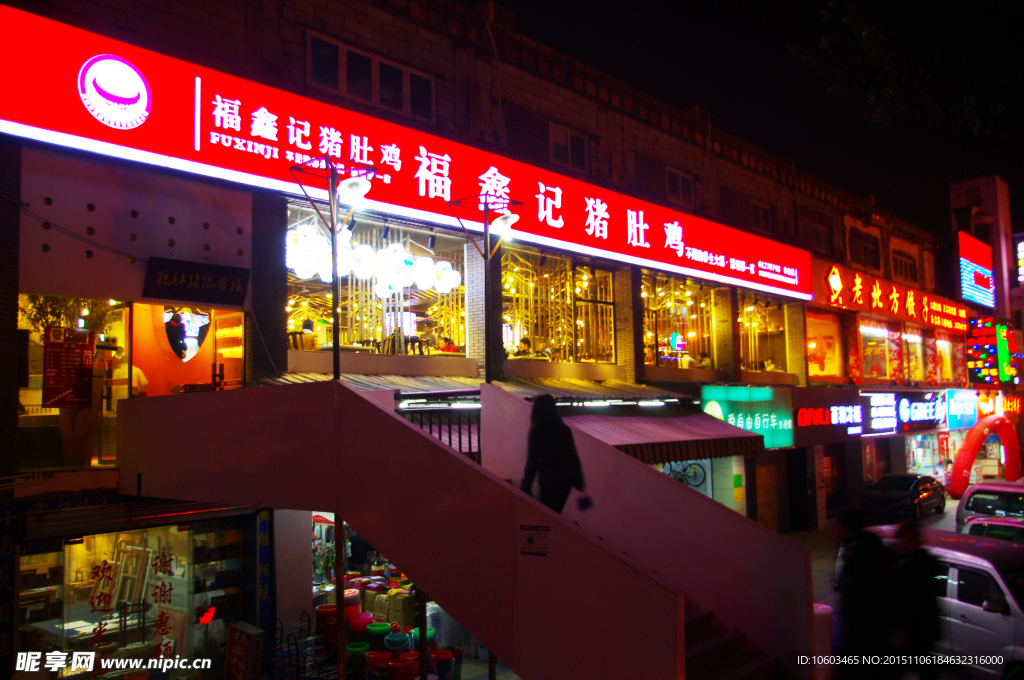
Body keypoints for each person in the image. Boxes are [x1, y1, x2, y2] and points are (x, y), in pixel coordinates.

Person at [834, 509, 891, 675]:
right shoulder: (866, 547)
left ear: (846, 529)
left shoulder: (857, 554)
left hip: (861, 638)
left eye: (838, 528)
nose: (835, 532)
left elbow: (856, 599)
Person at [889, 520, 940, 680]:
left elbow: (914, 601)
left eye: (910, 538)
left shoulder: (921, 565)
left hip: (916, 631)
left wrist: (899, 630)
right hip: (910, 632)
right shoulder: (895, 562)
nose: (906, 542)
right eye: (902, 538)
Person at [520, 394, 585, 513]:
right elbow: (573, 455)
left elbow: (532, 461)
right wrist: (579, 480)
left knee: (547, 515)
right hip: (565, 481)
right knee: (556, 512)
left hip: (548, 480)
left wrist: (525, 486)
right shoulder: (564, 429)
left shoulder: (537, 430)